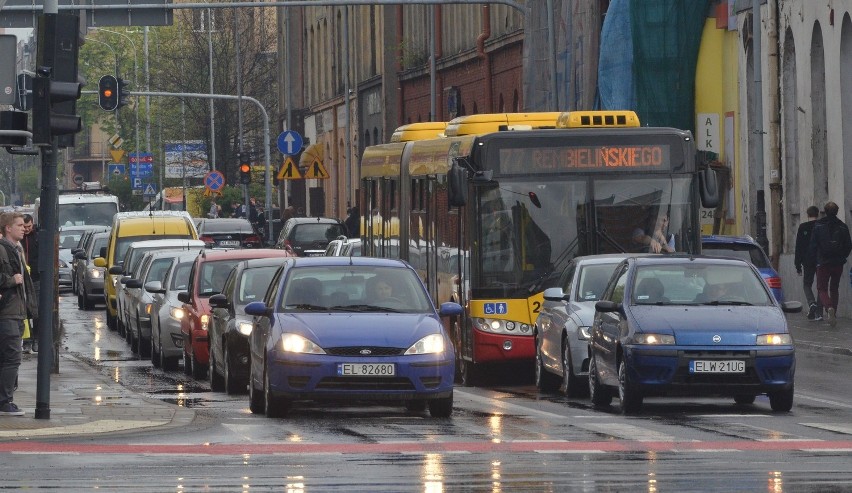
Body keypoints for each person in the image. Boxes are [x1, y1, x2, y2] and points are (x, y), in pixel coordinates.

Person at [0, 212, 38, 416]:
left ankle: (5, 399)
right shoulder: (3, 250)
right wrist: (10, 280)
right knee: (12, 358)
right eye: (19, 225)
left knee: (7, 357)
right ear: (7, 228)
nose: (24, 228)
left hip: (16, 311)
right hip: (7, 312)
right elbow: (10, 279)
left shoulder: (16, 249)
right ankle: (4, 401)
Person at [808, 201, 852, 327]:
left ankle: (828, 308)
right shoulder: (843, 226)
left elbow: (813, 245)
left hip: (823, 262)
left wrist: (814, 260)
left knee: (822, 288)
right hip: (838, 263)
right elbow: (848, 245)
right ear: (837, 212)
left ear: (825, 211)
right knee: (834, 288)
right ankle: (834, 313)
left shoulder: (818, 225)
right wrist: (842, 257)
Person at [794, 206, 822, 321]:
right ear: (818, 214)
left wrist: (798, 265)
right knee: (821, 286)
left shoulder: (802, 227)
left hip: (807, 261)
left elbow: (798, 247)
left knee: (807, 284)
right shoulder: (822, 226)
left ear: (807, 214)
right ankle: (819, 312)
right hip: (821, 260)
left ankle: (811, 303)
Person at [21, 215, 38, 354]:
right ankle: (28, 340)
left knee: (36, 310)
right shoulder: (18, 237)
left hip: (36, 278)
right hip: (22, 278)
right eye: (24, 227)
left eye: (29, 227)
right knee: (24, 311)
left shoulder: (37, 236)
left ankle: (37, 340)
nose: (26, 229)